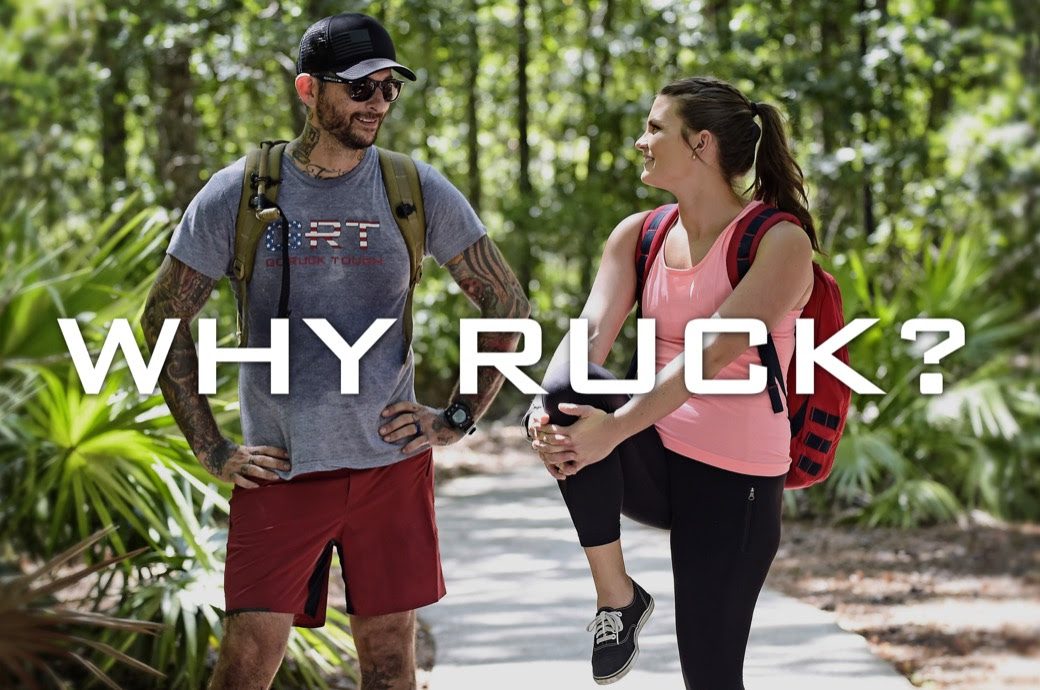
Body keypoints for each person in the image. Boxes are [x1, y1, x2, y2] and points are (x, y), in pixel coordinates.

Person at [142, 12, 529, 690]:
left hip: (390, 471)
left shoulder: (413, 188)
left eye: (388, 88)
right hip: (280, 471)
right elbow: (162, 317)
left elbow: (508, 304)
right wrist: (211, 448)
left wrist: (458, 418)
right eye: (359, 89)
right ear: (307, 90)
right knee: (245, 665)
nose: (377, 103)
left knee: (388, 664)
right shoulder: (237, 194)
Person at [526, 76, 818, 689]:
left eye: (656, 128)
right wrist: (540, 407)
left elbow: (706, 358)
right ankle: (618, 598)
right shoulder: (641, 235)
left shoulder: (779, 242)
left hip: (734, 483)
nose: (641, 141)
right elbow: (589, 332)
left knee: (709, 676)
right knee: (563, 392)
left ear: (701, 144)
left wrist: (614, 430)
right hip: (658, 459)